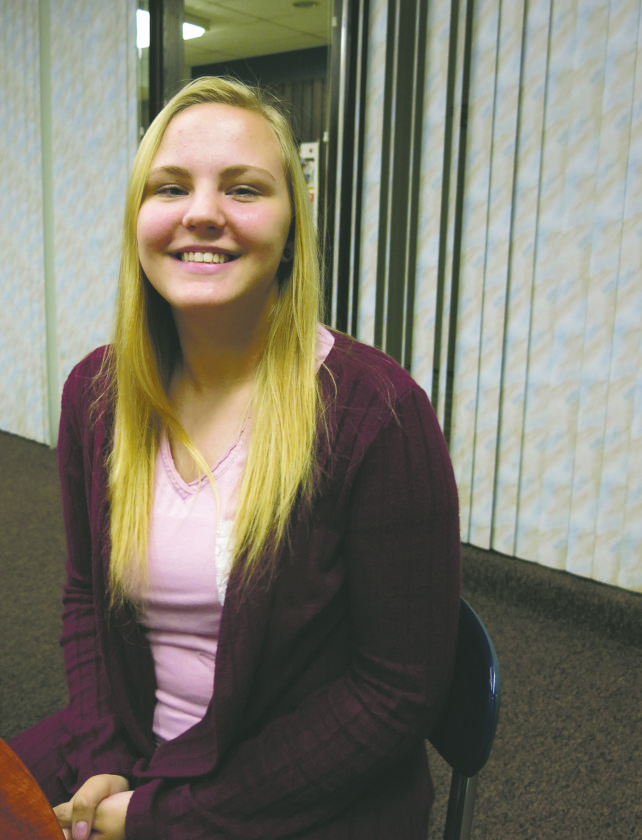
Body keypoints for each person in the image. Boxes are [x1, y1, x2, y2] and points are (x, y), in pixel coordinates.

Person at [10, 76, 461, 840]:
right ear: (138, 217)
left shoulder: (377, 414)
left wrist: (161, 817)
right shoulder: (96, 394)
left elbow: (396, 692)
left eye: (243, 188)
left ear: (293, 225)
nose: (202, 212)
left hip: (299, 786)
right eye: (171, 187)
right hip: (134, 747)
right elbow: (86, 594)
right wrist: (102, 756)